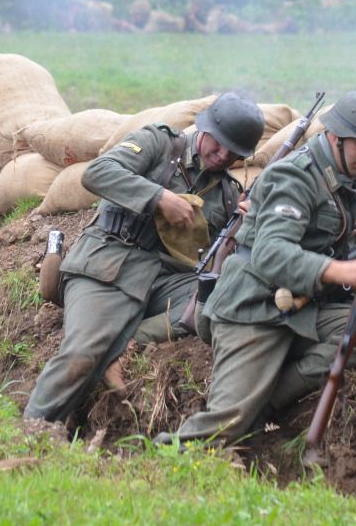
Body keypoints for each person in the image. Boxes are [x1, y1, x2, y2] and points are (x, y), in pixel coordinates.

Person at [164, 90, 356, 445]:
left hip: (298, 307)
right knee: (223, 428)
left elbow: (318, 229)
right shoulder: (296, 176)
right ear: (336, 138)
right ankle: (167, 457)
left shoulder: (335, 173)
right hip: (252, 308)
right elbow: (271, 252)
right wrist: (337, 271)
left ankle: (266, 403)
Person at [23, 92, 266, 424]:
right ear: (204, 130)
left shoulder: (227, 194)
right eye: (218, 144)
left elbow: (221, 258)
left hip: (165, 280)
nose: (222, 156)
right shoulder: (161, 144)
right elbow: (97, 173)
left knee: (219, 298)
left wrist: (249, 224)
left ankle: (127, 343)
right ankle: (30, 430)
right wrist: (158, 197)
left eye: (233, 152)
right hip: (108, 264)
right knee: (80, 355)